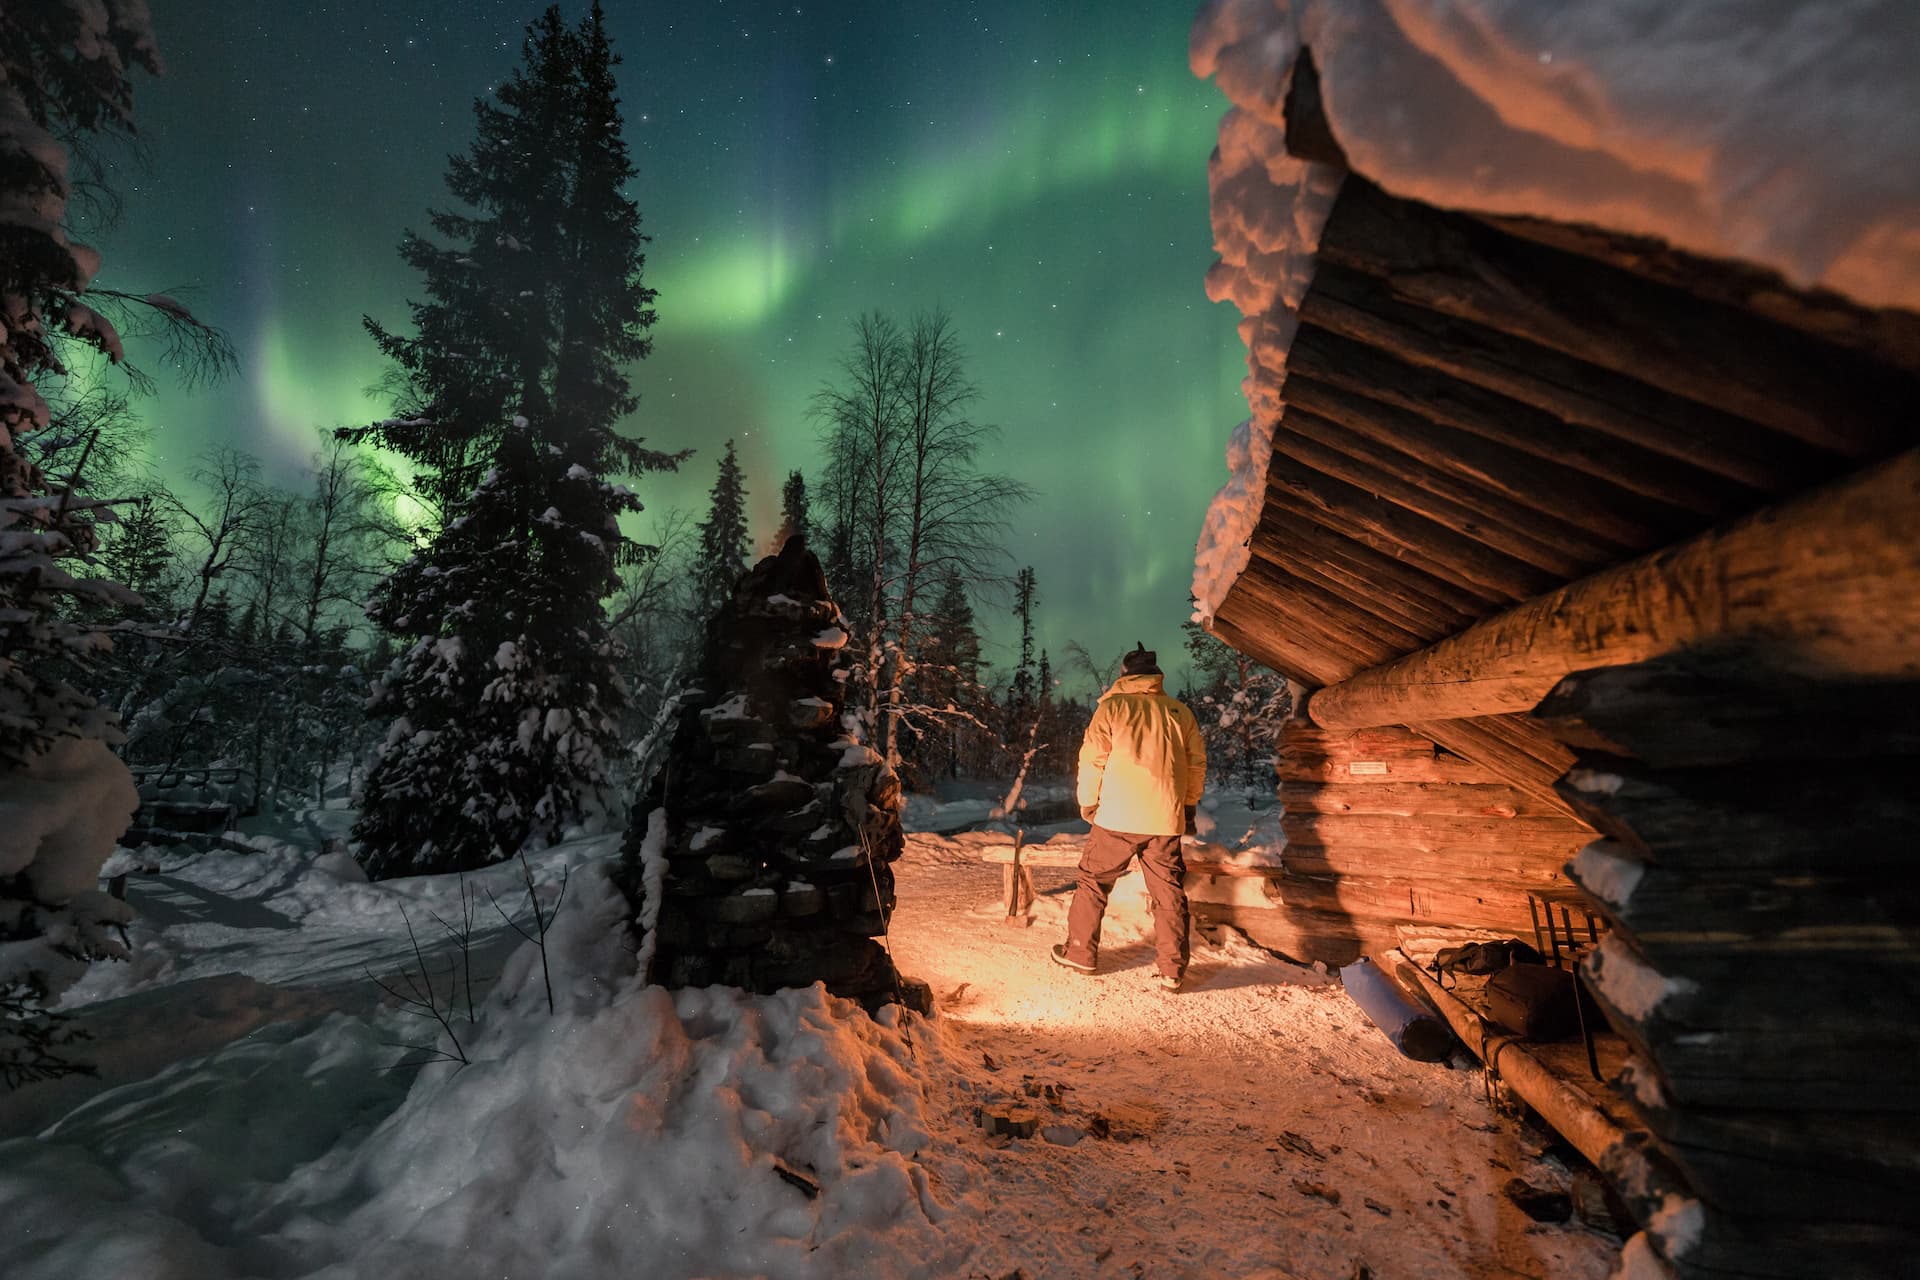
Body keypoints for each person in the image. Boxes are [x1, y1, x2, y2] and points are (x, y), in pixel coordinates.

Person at [1052, 642, 1207, 991]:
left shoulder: (1112, 709)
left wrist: (1087, 803)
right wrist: (1188, 805)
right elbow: (1196, 764)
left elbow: (1092, 760)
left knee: (1093, 882)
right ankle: (1172, 969)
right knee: (1168, 893)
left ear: (1125, 674)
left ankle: (1080, 952)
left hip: (1116, 818)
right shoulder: (1178, 712)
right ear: (1155, 677)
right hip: (1164, 819)